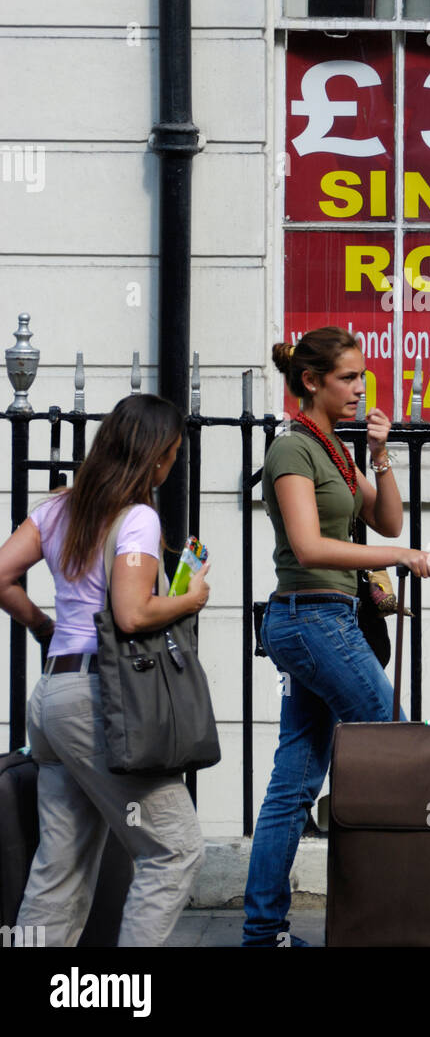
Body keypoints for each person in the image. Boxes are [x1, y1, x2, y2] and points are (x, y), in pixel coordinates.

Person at [242, 326, 430, 947]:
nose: (361, 388)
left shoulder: (334, 449)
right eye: (348, 378)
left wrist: (380, 452)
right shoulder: (291, 451)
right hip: (310, 618)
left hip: (326, 620)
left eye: (361, 377)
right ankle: (399, 916)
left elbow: (384, 517)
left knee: (293, 784)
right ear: (312, 381)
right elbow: (307, 545)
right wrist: (403, 557)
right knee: (398, 746)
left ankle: (262, 933)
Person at [0, 393, 211, 947]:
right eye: (171, 454)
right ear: (156, 456)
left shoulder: (56, 508)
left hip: (52, 698)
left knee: (59, 867)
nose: (170, 465)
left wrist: (45, 628)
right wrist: (191, 598)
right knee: (174, 849)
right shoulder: (137, 518)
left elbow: (0, 575)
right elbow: (133, 612)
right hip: (99, 702)